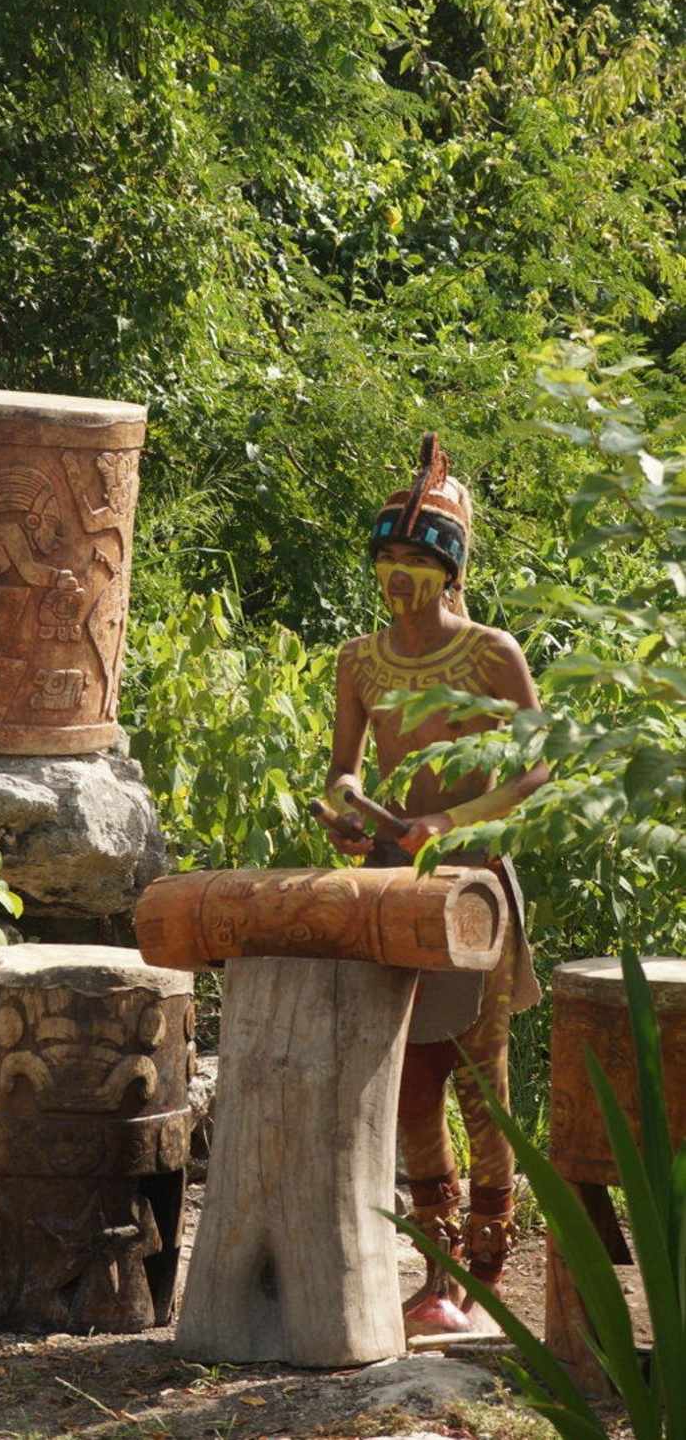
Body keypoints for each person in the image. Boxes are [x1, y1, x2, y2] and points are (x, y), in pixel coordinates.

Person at [321, 432, 545, 1336]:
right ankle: (435, 1272)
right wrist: (342, 808)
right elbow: (343, 768)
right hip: (390, 887)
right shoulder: (358, 660)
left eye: (416, 562)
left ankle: (483, 1271)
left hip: (470, 886)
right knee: (410, 1079)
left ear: (449, 572)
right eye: (388, 561)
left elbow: (534, 770)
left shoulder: (490, 652)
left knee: (480, 1081)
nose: (398, 577)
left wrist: (448, 825)